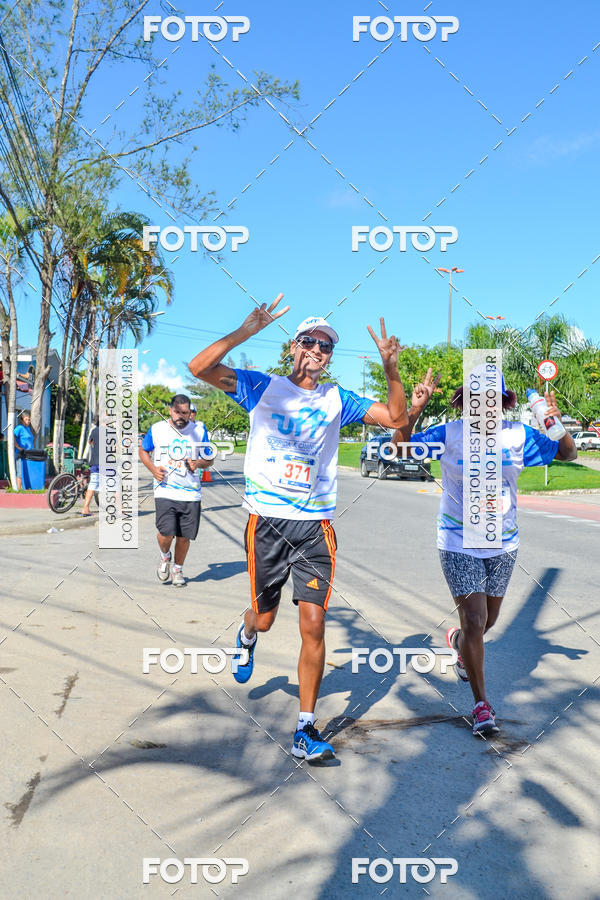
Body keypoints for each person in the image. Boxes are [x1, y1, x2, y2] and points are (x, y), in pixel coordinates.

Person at [188, 295, 408, 761]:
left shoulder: (337, 399)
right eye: (308, 341)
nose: (316, 350)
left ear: (330, 358)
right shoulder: (259, 387)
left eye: (325, 346)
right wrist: (246, 330)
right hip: (267, 522)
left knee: (314, 623)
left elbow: (396, 418)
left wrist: (391, 369)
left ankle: (305, 728)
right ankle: (246, 636)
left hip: (314, 528)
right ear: (293, 346)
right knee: (265, 619)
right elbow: (199, 367)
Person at [393, 373, 577, 736]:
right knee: (476, 620)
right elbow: (401, 448)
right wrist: (415, 409)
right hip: (457, 540)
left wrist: (555, 423)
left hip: (503, 541)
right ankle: (481, 705)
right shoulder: (449, 434)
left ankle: (460, 645)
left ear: (503, 400)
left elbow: (569, 453)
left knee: (486, 622)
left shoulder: (518, 435)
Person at [139, 394, 214, 587]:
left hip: (191, 493)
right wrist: (154, 470)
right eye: (177, 412)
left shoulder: (199, 429)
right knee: (166, 533)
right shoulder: (157, 429)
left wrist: (198, 463)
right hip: (165, 490)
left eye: (185, 413)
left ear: (190, 413)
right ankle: (165, 556)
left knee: (184, 536)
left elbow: (210, 459)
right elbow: (143, 450)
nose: (181, 416)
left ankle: (178, 569)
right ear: (170, 411)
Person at [81, 415, 100, 516]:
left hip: (94, 462)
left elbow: (90, 442)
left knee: (93, 484)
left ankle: (85, 508)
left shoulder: (94, 430)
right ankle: (120, 511)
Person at [14, 409, 35, 491]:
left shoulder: (28, 429)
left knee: (27, 471)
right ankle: (18, 490)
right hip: (21, 453)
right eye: (26, 419)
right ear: (22, 420)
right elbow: (13, 436)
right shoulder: (19, 428)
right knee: (20, 471)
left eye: (29, 419)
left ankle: (27, 488)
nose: (28, 421)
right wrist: (18, 446)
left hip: (29, 454)